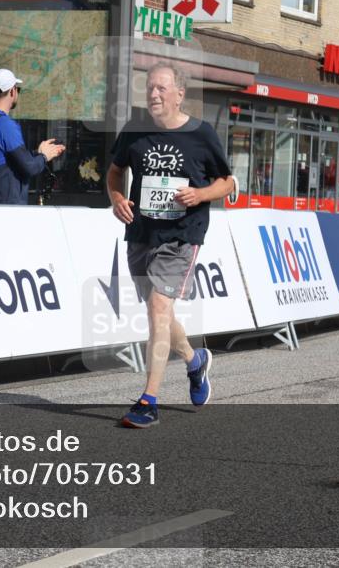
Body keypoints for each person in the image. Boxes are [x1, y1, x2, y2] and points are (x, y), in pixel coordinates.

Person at [107, 62, 234, 428]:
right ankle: (195, 362)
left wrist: (200, 194)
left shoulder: (201, 134)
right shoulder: (135, 131)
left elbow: (226, 182)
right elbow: (116, 171)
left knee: (160, 307)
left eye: (162, 88)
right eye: (149, 88)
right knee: (158, 313)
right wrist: (117, 198)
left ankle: (149, 400)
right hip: (141, 232)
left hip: (182, 234)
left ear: (180, 94)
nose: (154, 94)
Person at [0, 68, 65, 204]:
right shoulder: (4, 125)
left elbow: (7, 159)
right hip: (6, 209)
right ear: (12, 91)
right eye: (17, 89)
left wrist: (37, 153)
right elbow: (29, 167)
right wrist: (45, 157)